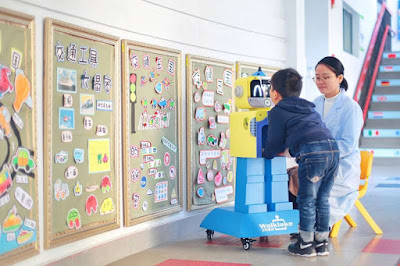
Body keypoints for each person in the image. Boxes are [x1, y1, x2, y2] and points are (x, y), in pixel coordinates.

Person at [263, 68, 339, 257]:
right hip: (332, 150)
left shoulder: (277, 111)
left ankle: (305, 244)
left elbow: (274, 142)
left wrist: (267, 153)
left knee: (306, 200)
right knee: (322, 199)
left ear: (274, 93)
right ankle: (321, 243)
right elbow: (307, 132)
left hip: (313, 154)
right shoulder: (309, 107)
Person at [313, 56, 363, 225]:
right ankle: (304, 224)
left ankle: (317, 228)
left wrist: (319, 153)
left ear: (339, 78)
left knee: (314, 186)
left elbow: (347, 145)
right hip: (319, 162)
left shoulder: (351, 107)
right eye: (317, 78)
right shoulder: (315, 104)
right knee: (293, 178)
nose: (321, 82)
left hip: (343, 167)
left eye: (326, 77)